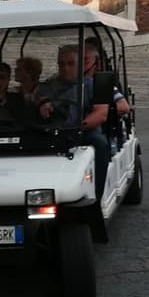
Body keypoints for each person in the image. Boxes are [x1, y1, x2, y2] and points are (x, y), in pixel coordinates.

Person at [37, 44, 110, 197]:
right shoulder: (49, 85)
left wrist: (79, 127)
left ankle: (97, 194)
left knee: (100, 143)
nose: (65, 68)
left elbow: (101, 113)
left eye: (70, 64)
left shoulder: (94, 84)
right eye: (61, 64)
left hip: (83, 131)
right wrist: (44, 103)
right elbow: (42, 97)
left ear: (80, 65)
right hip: (54, 131)